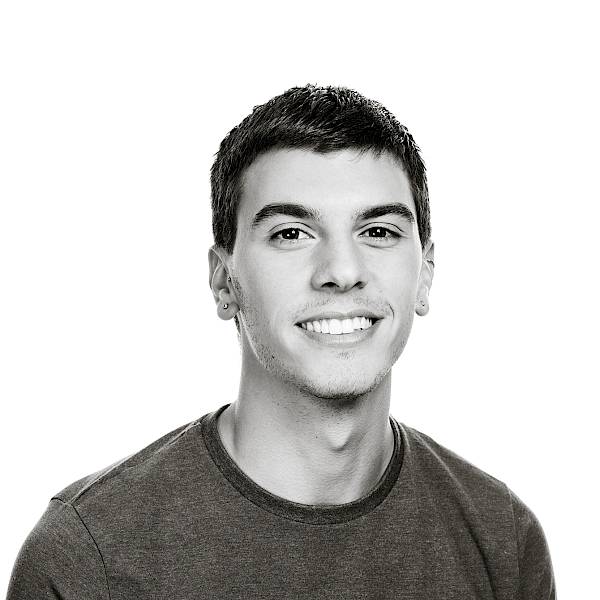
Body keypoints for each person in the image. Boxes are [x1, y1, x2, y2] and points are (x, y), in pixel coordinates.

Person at [7, 84, 556, 599]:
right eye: (291, 234)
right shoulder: (88, 558)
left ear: (426, 273)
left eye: (378, 232)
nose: (342, 271)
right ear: (224, 282)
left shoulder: (503, 542)